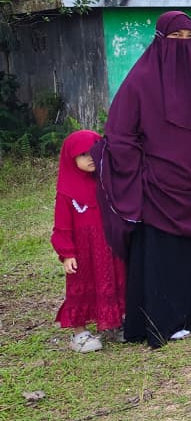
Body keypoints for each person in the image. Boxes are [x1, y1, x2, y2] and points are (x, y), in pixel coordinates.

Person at [94, 11, 191, 347]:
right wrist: (144, 169)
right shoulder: (141, 81)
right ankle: (161, 320)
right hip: (158, 187)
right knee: (162, 255)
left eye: (190, 40)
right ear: (160, 41)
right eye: (175, 38)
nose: (184, 46)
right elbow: (119, 134)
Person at [53, 130, 125, 353]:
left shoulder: (107, 181)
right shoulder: (67, 192)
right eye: (83, 154)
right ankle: (79, 333)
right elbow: (62, 226)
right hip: (83, 252)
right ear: (70, 158)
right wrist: (67, 253)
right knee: (81, 287)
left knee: (114, 281)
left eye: (94, 151)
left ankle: (115, 324)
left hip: (109, 246)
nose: (90, 158)